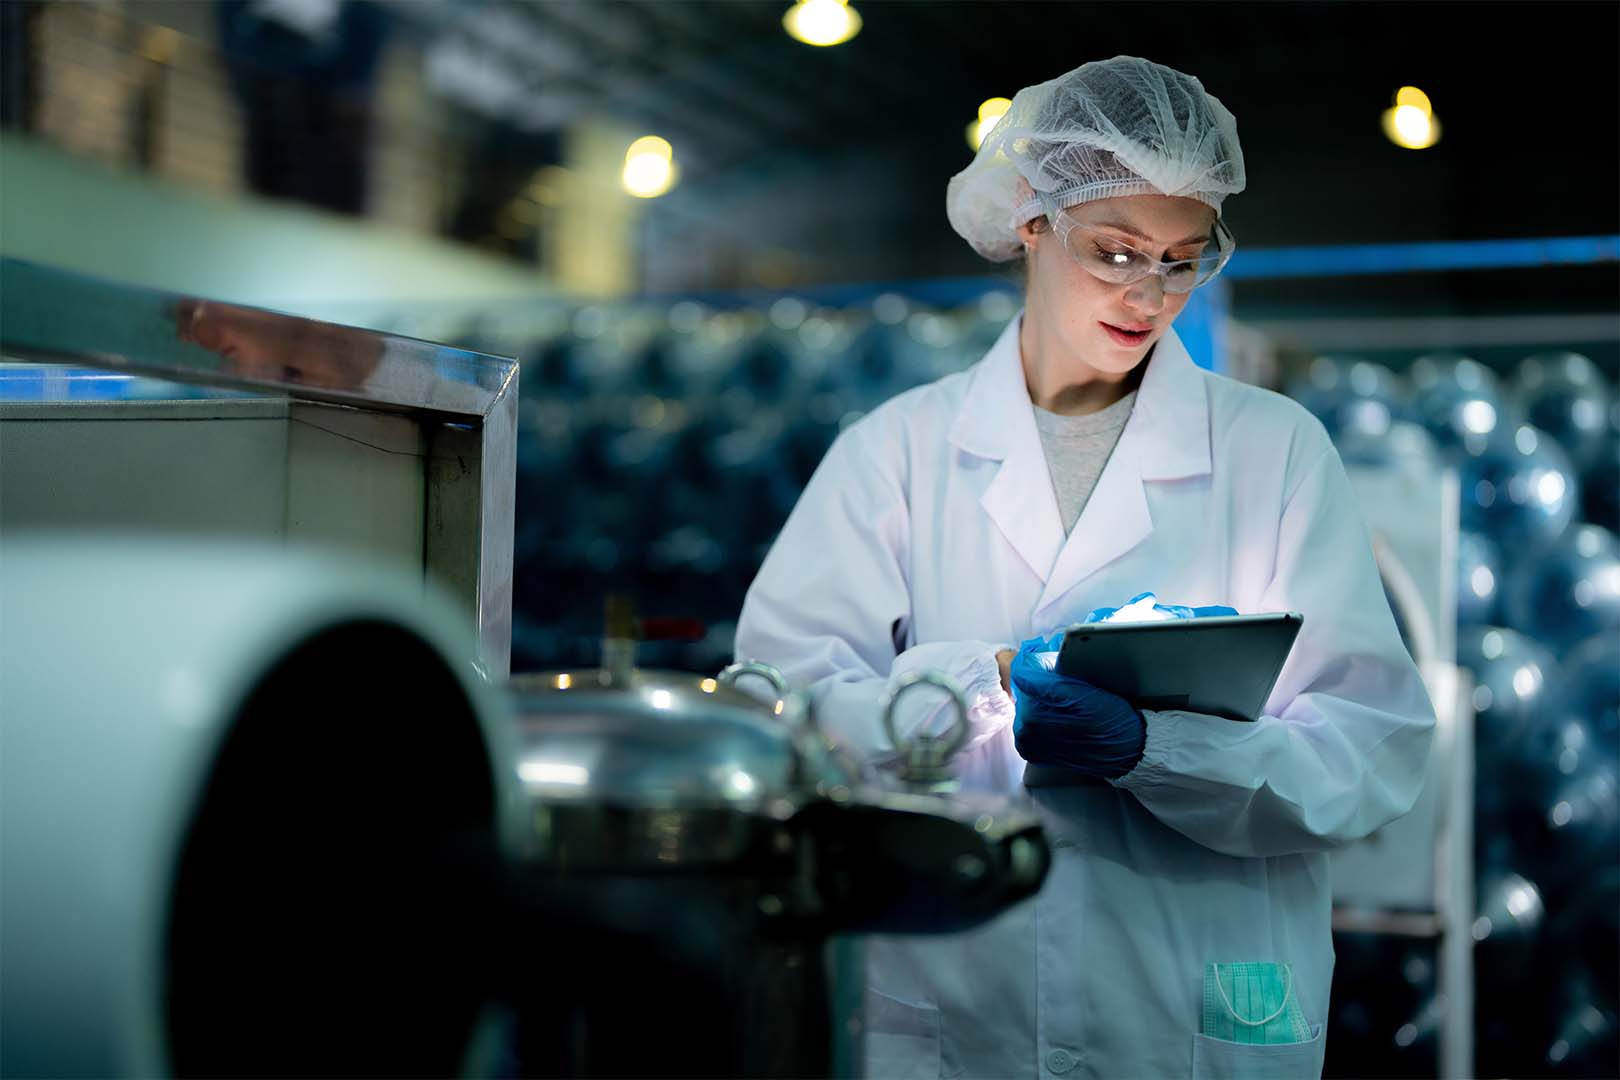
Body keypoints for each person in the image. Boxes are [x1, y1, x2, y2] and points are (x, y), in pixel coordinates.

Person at [735, 56, 1434, 1078]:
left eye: (1182, 260)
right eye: (1116, 253)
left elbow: (1371, 750)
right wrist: (978, 690)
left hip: (1187, 1004)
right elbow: (775, 710)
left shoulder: (1273, 452)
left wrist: (1158, 750)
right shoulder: (899, 453)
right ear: (1031, 221)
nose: (1151, 295)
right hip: (955, 999)